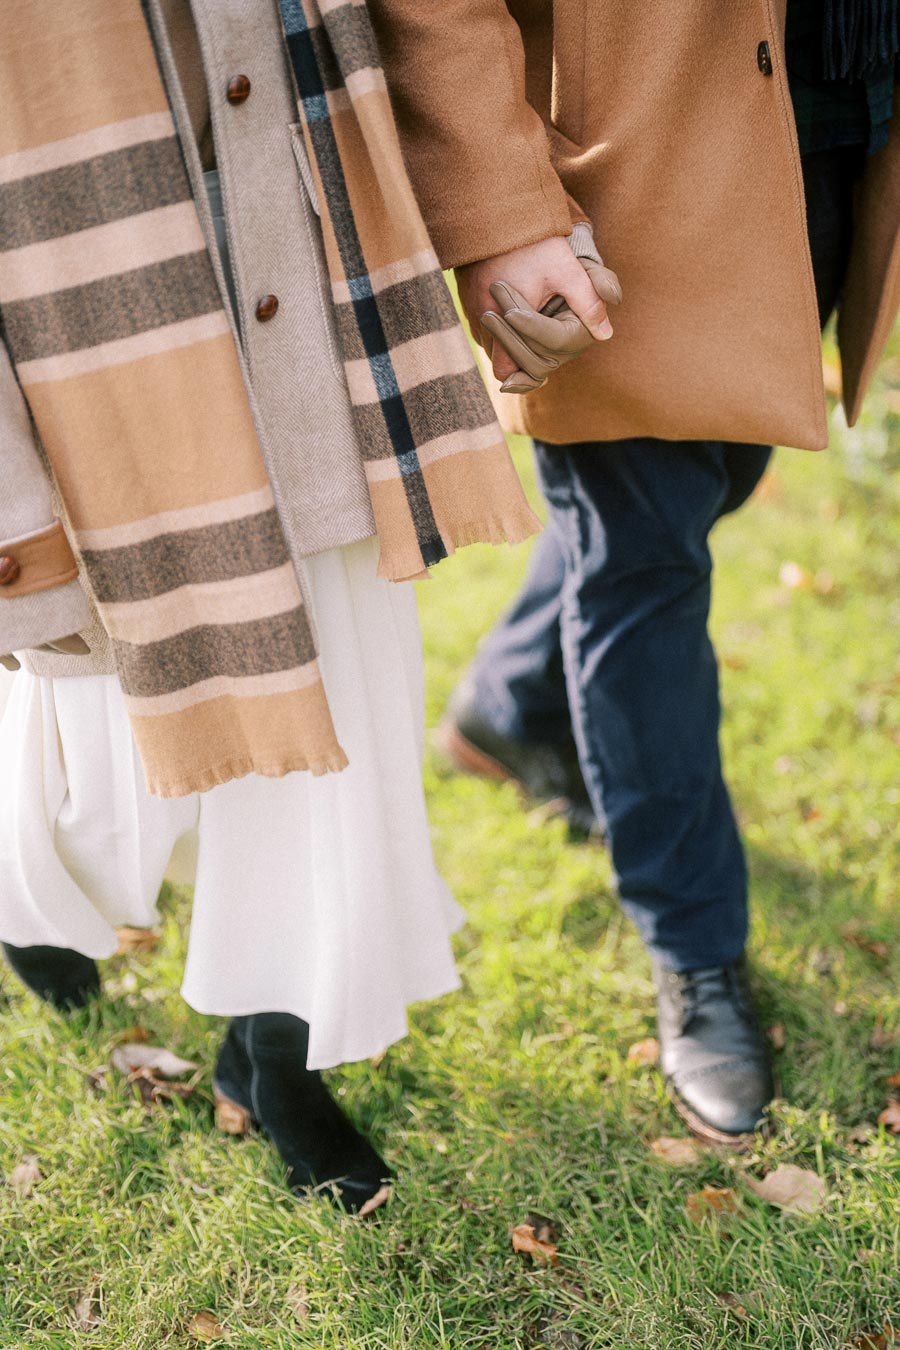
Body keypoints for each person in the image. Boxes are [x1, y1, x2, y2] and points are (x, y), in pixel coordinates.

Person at [0, 0, 538, 1213]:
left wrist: (513, 218)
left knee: (339, 683)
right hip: (66, 305)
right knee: (101, 764)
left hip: (297, 241)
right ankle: (29, 893)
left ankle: (274, 1046)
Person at [368, 0, 900, 1143]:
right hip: (633, 161)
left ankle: (507, 708)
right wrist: (502, 210)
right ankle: (695, 954)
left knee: (708, 485)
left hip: (838, 118)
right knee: (644, 563)